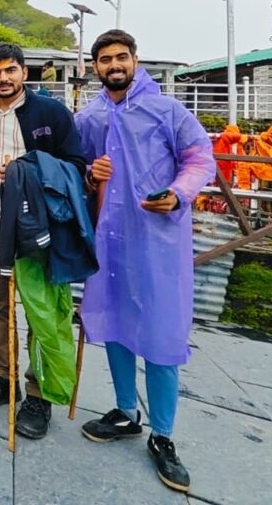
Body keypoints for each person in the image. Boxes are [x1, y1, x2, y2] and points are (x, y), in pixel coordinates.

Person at [75, 30, 214, 493]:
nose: (114, 65)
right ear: (95, 66)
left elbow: (200, 159)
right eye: (105, 59)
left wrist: (178, 193)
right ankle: (125, 411)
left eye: (121, 57)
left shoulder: (168, 110)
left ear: (135, 59)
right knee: (114, 322)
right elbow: (74, 163)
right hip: (109, 239)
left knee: (160, 332)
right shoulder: (90, 116)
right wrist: (89, 174)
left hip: (158, 242)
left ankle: (164, 434)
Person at [0, 43, 86, 441]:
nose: (3, 78)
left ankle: (39, 393)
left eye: (10, 70)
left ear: (23, 72)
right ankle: (4, 376)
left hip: (36, 229)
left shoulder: (51, 113)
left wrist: (26, 172)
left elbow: (75, 166)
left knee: (41, 311)